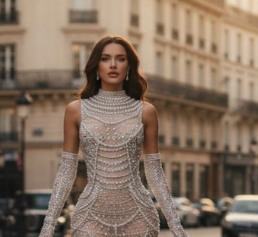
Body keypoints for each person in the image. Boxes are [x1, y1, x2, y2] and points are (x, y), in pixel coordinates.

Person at [38, 36, 187, 237]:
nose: (113, 65)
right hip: (90, 216)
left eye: (121, 59)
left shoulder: (146, 112)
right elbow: (66, 170)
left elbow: (155, 173)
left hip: (138, 216)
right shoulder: (76, 110)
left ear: (129, 66)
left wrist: (177, 229)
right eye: (106, 59)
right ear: (96, 65)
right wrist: (47, 228)